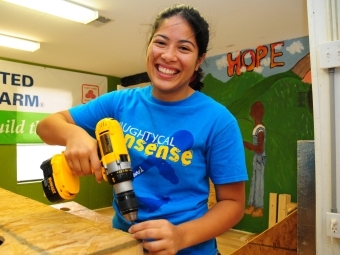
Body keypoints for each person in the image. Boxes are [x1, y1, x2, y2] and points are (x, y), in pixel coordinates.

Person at [37, 4, 248, 255]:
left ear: (199, 59)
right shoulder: (119, 103)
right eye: (161, 42)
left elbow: (233, 204)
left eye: (184, 47)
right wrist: (74, 135)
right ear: (149, 45)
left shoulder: (218, 120)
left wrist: (181, 236)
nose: (169, 56)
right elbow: (46, 126)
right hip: (123, 244)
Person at [244, 101, 266, 218]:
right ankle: (252, 205)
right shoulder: (256, 127)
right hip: (256, 158)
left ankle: (260, 207)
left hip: (259, 158)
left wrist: (248, 145)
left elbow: (260, 148)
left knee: (259, 182)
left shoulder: (260, 129)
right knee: (254, 181)